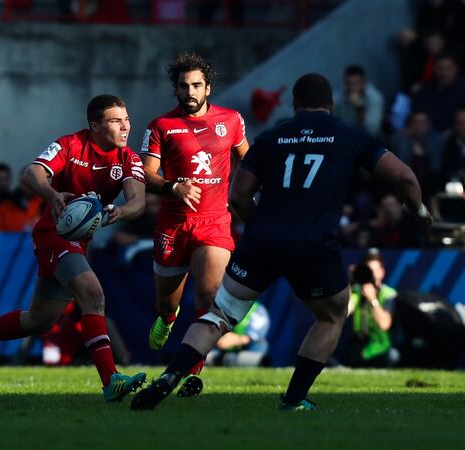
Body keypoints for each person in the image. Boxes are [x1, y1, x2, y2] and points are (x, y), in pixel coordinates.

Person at [131, 73, 430, 411]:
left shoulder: (273, 136)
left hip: (263, 240)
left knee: (220, 314)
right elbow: (403, 175)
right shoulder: (348, 134)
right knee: (332, 315)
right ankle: (294, 399)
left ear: (294, 104)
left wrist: (262, 230)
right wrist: (417, 208)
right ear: (330, 105)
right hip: (314, 243)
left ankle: (171, 376)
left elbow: (239, 197)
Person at [0, 94, 148, 402]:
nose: (126, 126)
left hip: (80, 240)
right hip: (53, 234)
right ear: (94, 125)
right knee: (93, 295)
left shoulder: (128, 158)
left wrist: (120, 212)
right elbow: (30, 173)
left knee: (39, 320)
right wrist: (51, 194)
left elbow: (138, 202)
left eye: (127, 119)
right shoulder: (69, 145)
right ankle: (111, 380)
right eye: (116, 121)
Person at [139, 51, 248, 397]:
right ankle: (168, 320)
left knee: (209, 296)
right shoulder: (160, 126)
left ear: (208, 88)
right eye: (184, 86)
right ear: (176, 89)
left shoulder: (231, 121)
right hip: (173, 225)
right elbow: (146, 174)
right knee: (168, 304)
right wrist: (173, 186)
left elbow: (251, 160)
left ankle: (190, 371)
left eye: (197, 85)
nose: (190, 92)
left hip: (215, 222)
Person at [346, 249, 399, 368]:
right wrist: (349, 282)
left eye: (374, 271)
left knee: (393, 356)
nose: (372, 275)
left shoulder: (389, 294)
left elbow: (385, 324)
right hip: (359, 346)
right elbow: (343, 312)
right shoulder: (358, 292)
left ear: (382, 272)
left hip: (382, 348)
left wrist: (372, 299)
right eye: (369, 270)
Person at [206, 301, 270, 367]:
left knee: (261, 344)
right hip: (221, 346)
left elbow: (254, 335)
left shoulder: (257, 310)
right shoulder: (223, 306)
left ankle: (253, 364)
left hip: (246, 348)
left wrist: (237, 340)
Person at [333, 65, 384, 137]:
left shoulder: (375, 98)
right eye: (349, 83)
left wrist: (359, 108)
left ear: (364, 82)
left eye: (356, 83)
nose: (352, 87)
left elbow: (372, 130)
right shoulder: (339, 96)